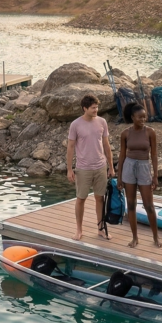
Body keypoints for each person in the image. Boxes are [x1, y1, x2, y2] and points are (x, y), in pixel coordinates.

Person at [66, 94, 115, 241]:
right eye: (93, 108)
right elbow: (70, 147)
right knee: (81, 198)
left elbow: (106, 145)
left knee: (100, 198)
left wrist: (111, 167)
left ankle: (100, 229)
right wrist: (69, 169)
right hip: (83, 168)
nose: (96, 110)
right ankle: (79, 230)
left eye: (97, 107)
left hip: (100, 166)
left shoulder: (102, 122)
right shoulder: (75, 124)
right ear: (85, 108)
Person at [115, 103, 161, 248]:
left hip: (144, 167)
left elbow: (154, 155)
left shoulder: (150, 132)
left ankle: (156, 238)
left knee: (149, 205)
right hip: (128, 167)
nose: (143, 119)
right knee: (131, 204)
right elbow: (122, 155)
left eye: (144, 117)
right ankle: (135, 238)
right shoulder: (125, 133)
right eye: (139, 117)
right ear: (132, 117)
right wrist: (119, 177)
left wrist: (155, 175)